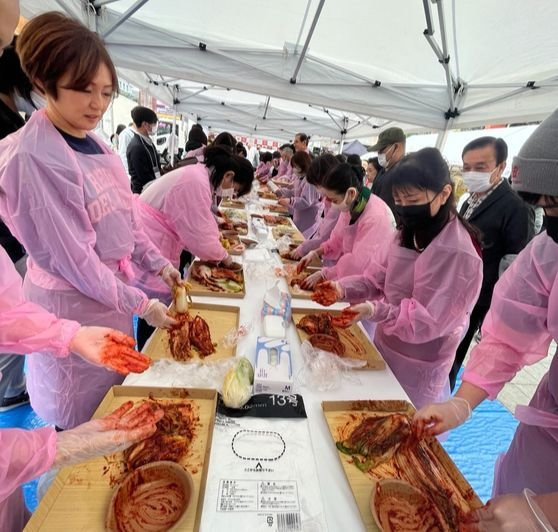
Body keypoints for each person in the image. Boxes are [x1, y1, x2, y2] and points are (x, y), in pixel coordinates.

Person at [0, 12, 180, 430]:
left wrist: (161, 265)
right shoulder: (33, 157)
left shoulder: (98, 146)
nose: (97, 104)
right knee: (80, 417)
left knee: (114, 399)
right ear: (45, 84)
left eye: (105, 92)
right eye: (83, 90)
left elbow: (126, 222)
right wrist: (142, 303)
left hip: (109, 298)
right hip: (71, 304)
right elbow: (74, 261)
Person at [413, 111, 558, 512]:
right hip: (547, 434)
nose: (552, 220)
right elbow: (509, 336)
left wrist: (549, 510)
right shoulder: (550, 249)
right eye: (547, 209)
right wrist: (461, 403)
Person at [317, 149, 483, 409]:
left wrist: (377, 310)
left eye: (412, 199)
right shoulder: (405, 233)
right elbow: (375, 278)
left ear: (444, 193)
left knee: (401, 421)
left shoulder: (458, 252)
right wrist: (341, 288)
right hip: (386, 344)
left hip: (421, 364)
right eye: (398, 199)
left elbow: (426, 321)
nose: (404, 207)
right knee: (374, 407)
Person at [133, 145, 254, 348]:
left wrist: (219, 246)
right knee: (154, 308)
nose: (231, 194)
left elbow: (202, 220)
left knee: (160, 302)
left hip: (156, 236)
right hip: (150, 238)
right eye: (235, 189)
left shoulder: (199, 176)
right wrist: (226, 258)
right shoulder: (196, 181)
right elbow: (200, 235)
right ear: (229, 175)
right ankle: (149, 351)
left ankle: (152, 344)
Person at [449, 137, 535, 390]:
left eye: (481, 167)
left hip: (477, 299)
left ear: (500, 167)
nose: (471, 173)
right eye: (467, 167)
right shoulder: (469, 199)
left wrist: (496, 314)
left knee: (453, 356)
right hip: (453, 288)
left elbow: (515, 268)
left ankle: (440, 401)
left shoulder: (516, 207)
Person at [0, 40, 34, 411]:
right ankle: (8, 391)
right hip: (9, 243)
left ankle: (12, 384)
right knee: (13, 319)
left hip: (16, 242)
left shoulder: (16, 120)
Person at [296, 162, 395, 290]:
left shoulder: (376, 217)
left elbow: (358, 264)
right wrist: (316, 252)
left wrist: (325, 274)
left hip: (370, 285)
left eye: (334, 200)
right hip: (352, 276)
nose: (330, 204)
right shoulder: (352, 205)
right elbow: (337, 239)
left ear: (351, 193)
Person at [288, 154, 340, 261]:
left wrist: (303, 249)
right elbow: (321, 231)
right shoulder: (329, 199)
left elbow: (324, 236)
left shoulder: (338, 205)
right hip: (325, 252)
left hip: (334, 259)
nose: (317, 189)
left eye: (317, 185)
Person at [277, 151, 321, 237]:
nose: (294, 169)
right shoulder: (299, 177)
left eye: (296, 166)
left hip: (308, 217)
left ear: (303, 165)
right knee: (295, 235)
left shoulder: (309, 181)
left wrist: (290, 201)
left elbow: (306, 201)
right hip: (299, 214)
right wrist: (281, 191)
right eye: (293, 166)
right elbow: (294, 192)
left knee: (300, 238)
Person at [371, 126, 406, 214]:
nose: (379, 154)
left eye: (382, 150)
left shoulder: (401, 174)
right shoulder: (385, 169)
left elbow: (388, 212)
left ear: (397, 147)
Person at [127, 106, 161, 193]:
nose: (155, 126)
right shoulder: (136, 147)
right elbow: (144, 177)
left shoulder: (147, 141)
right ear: (145, 124)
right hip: (143, 193)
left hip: (153, 188)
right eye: (154, 123)